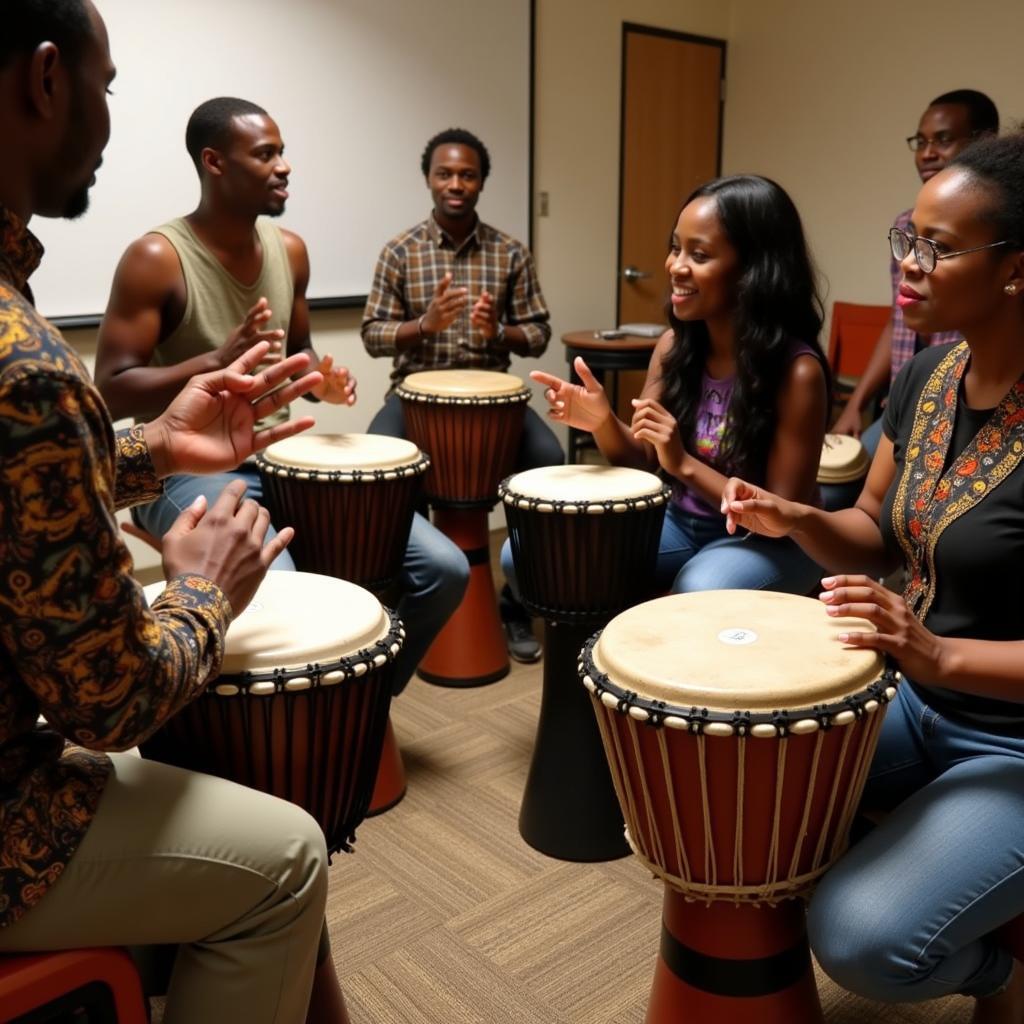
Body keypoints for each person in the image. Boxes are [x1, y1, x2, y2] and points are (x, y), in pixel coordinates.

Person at [0, 3, 347, 1021]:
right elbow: (105, 704)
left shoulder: (287, 251)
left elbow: (26, 479)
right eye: (105, 91)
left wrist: (152, 448)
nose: (108, 120)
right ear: (48, 79)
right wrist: (201, 590)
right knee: (289, 858)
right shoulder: (28, 361)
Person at [722, 131, 1024, 1023]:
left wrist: (937, 656)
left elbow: (936, 647)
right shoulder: (929, 376)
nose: (909, 264)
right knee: (751, 796)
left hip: (1011, 744)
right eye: (907, 235)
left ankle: (1003, 978)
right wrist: (804, 518)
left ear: (1015, 270)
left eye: (938, 245)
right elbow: (875, 532)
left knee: (857, 935)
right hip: (920, 700)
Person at [95, 97, 467, 696]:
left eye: (282, 151)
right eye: (265, 154)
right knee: (282, 588)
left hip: (280, 457)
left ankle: (358, 705)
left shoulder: (290, 250)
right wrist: (210, 363)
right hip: (184, 468)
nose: (284, 165)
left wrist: (322, 375)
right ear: (215, 162)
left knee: (443, 571)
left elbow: (300, 348)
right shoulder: (156, 258)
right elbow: (108, 391)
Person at [523, 175, 828, 597]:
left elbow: (777, 516)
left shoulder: (797, 373)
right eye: (675, 247)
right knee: (541, 550)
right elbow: (642, 461)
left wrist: (682, 463)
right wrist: (602, 422)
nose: (675, 266)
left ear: (753, 269)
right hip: (682, 523)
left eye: (698, 255)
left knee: (697, 586)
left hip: (770, 543)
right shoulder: (673, 346)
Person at [361, 128, 562, 663]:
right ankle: (409, 601)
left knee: (549, 462)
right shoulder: (400, 251)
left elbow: (538, 332)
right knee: (375, 473)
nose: (456, 183)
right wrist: (421, 326)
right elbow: (372, 335)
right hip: (415, 397)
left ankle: (515, 600)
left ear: (480, 183)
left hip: (496, 401)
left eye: (467, 175)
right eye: (445, 173)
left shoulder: (510, 252)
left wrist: (500, 331)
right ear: (429, 179)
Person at [829, 90, 999, 454]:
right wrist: (855, 404)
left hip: (970, 403)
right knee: (838, 485)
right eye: (921, 141)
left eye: (943, 139)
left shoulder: (1000, 241)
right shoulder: (905, 224)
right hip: (907, 403)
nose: (927, 153)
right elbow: (899, 321)